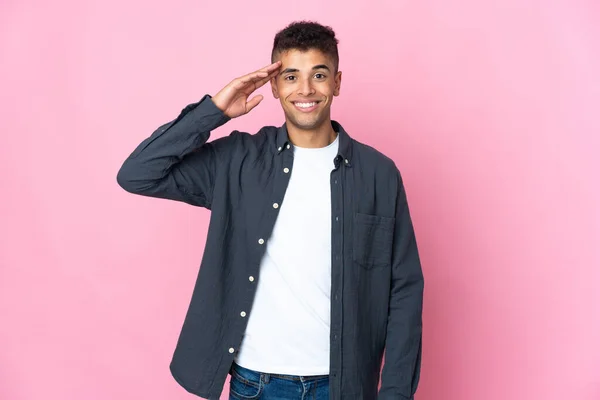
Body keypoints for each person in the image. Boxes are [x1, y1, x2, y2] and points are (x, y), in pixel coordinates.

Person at [117, 20, 424, 400]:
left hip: (343, 385)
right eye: (291, 76)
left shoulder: (379, 174)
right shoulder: (238, 160)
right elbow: (137, 174)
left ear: (338, 83)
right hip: (256, 384)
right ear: (275, 86)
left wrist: (395, 393)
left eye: (319, 75)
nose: (306, 89)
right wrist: (214, 110)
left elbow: (405, 289)